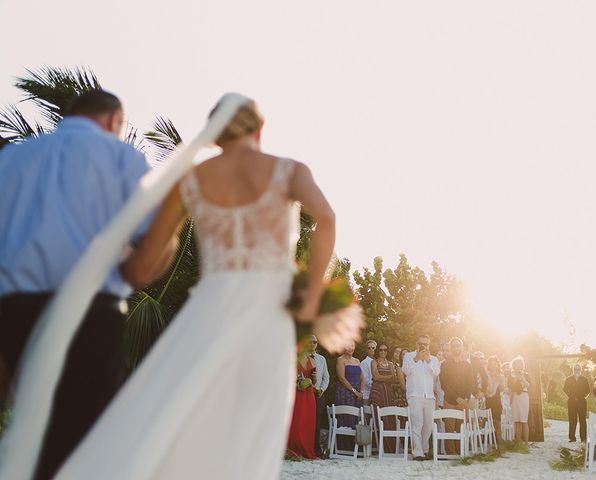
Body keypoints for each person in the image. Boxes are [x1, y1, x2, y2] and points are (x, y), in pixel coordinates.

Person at [54, 95, 350, 479]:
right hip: (269, 315)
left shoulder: (190, 180)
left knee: (191, 420)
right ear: (260, 129)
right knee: (255, 428)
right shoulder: (290, 170)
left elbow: (144, 266)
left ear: (213, 134)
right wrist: (311, 298)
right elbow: (327, 218)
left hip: (209, 311)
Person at [0, 90, 162, 480]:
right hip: (89, 312)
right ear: (113, 120)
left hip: (15, 308)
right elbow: (147, 248)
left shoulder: (13, 158)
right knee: (82, 434)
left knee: (31, 420)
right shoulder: (121, 157)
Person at [402, 335, 440, 461]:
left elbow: (436, 372)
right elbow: (406, 371)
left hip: (429, 396)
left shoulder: (433, 359)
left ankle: (424, 450)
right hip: (414, 395)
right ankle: (417, 452)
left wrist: (428, 360)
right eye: (421, 343)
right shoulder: (408, 356)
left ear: (429, 345)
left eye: (426, 344)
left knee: (428, 426)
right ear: (416, 343)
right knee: (416, 424)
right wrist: (416, 359)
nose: (423, 346)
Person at [438, 337, 474, 454]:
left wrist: (465, 399)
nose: (456, 348)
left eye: (458, 345)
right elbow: (444, 385)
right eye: (453, 346)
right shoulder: (444, 365)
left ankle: (461, 453)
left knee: (461, 428)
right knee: (450, 429)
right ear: (450, 347)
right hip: (449, 401)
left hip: (464, 402)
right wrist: (457, 399)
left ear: (462, 347)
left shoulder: (467, 365)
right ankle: (451, 455)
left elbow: (470, 384)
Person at [370, 343, 402, 453]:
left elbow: (394, 379)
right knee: (378, 419)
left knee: (390, 418)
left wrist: (382, 378)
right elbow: (375, 376)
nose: (383, 352)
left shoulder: (390, 363)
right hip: (377, 393)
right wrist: (388, 377)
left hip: (388, 393)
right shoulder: (374, 362)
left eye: (385, 350)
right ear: (377, 351)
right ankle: (378, 448)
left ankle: (390, 449)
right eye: (381, 350)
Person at [334, 342, 365, 451]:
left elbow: (362, 378)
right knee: (346, 417)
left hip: (358, 394)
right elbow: (342, 378)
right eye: (347, 345)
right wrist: (354, 392)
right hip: (345, 393)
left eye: (352, 345)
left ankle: (357, 449)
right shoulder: (340, 360)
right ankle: (344, 448)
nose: (350, 348)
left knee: (357, 418)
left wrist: (361, 391)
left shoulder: (357, 361)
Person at [287, 350, 317, 459]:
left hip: (309, 395)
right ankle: (292, 449)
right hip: (297, 393)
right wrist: (297, 383)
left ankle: (306, 449)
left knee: (307, 422)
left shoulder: (312, 360)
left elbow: (314, 381)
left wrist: (314, 378)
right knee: (296, 421)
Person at [309, 335, 330, 457]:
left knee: (317, 422)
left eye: (315, 342)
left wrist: (321, 389)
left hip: (318, 394)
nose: (312, 344)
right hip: (305, 394)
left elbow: (326, 377)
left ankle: (316, 448)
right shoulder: (301, 358)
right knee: (306, 420)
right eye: (310, 342)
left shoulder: (321, 359)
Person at [563, 364, 590, 443]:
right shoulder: (568, 379)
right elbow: (565, 389)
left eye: (578, 369)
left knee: (582, 420)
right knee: (572, 420)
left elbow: (588, 390)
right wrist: (570, 395)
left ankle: (583, 438)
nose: (576, 370)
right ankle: (572, 438)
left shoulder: (584, 379)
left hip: (582, 402)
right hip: (571, 402)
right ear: (573, 370)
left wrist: (583, 396)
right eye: (575, 369)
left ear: (580, 370)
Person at [509, 356, 530, 443]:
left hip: (524, 397)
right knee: (517, 421)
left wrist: (523, 378)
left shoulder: (526, 374)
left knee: (524, 421)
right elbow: (511, 387)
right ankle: (518, 442)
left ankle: (526, 443)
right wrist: (516, 378)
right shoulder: (511, 375)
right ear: (514, 365)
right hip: (515, 397)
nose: (519, 366)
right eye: (517, 364)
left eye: (520, 364)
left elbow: (528, 385)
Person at [485, 355, 505, 443]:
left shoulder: (500, 376)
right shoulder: (486, 374)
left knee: (497, 421)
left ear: (497, 365)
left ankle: (499, 443)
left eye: (495, 363)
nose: (493, 365)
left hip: (496, 400)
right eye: (491, 363)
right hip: (487, 399)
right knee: (486, 420)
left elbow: (502, 389)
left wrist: (499, 380)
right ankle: (486, 441)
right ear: (489, 365)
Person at [360, 340, 377, 405]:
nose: (371, 349)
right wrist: (377, 387)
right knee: (368, 414)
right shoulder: (364, 363)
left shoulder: (378, 361)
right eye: (369, 348)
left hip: (377, 394)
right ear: (366, 350)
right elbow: (365, 380)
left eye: (373, 348)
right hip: (367, 395)